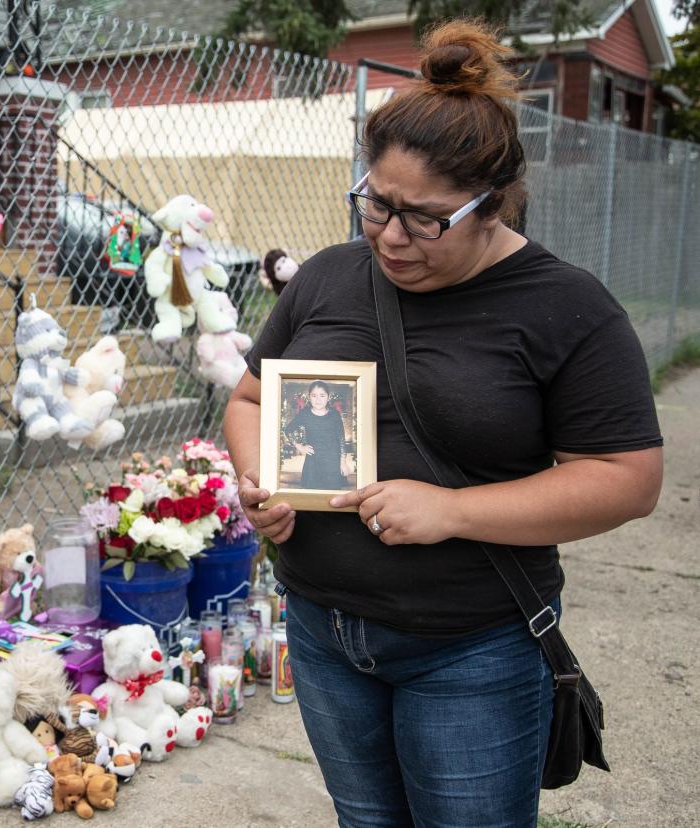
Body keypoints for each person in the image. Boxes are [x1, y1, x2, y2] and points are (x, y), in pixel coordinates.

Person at [222, 20, 663, 827]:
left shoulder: (566, 308)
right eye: (377, 204)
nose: (391, 237)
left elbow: (627, 481)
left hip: (474, 646)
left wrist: (454, 510)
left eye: (424, 219)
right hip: (322, 630)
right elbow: (250, 399)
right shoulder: (327, 276)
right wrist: (261, 482)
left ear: (492, 204)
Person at [283, 381, 351, 490]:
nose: (318, 399)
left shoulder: (334, 414)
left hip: (332, 461)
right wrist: (299, 446)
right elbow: (288, 430)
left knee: (332, 495)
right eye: (314, 395)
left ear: (328, 397)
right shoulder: (305, 413)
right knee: (312, 495)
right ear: (309, 396)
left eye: (322, 395)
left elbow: (341, 439)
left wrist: (343, 463)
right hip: (313, 461)